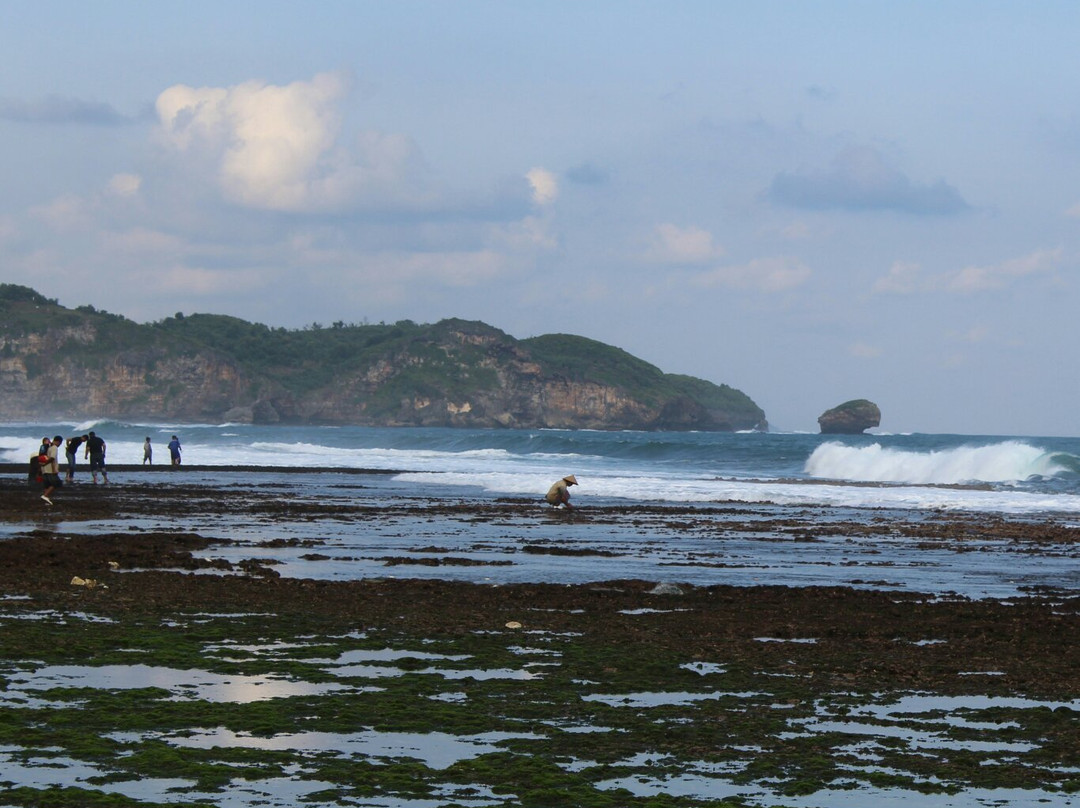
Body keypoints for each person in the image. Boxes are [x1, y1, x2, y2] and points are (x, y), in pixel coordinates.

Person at [40, 435, 62, 505]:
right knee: (57, 483)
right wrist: (54, 469)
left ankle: (46, 500)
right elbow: (52, 458)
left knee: (47, 485)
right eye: (60, 443)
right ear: (58, 442)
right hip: (50, 469)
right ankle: (45, 496)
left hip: (44, 469)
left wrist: (43, 464)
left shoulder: (49, 447)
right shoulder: (54, 447)